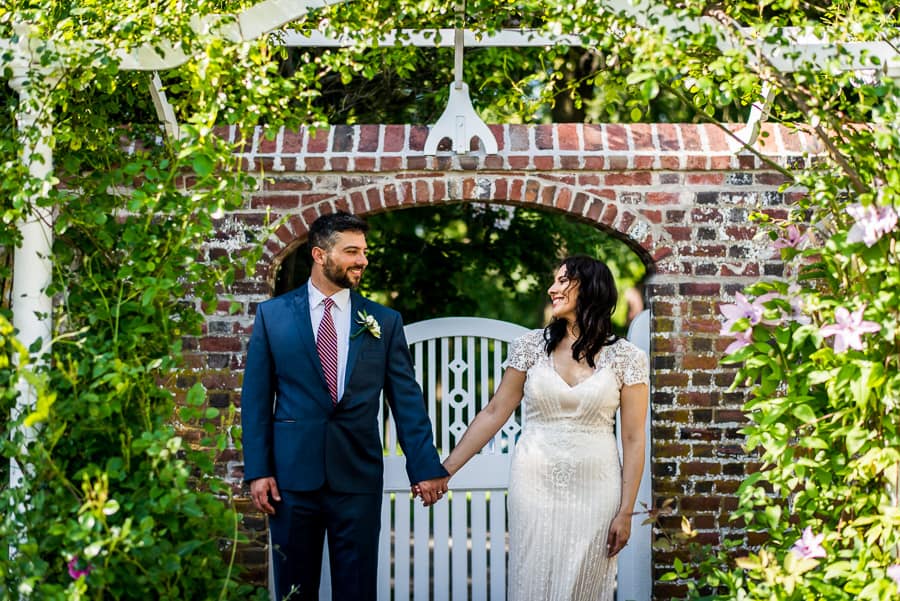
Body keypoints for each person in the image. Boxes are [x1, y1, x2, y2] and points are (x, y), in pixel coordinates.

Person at [241, 211, 448, 601]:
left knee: (357, 590)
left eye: (364, 252)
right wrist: (259, 470)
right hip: (290, 481)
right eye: (351, 251)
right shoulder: (273, 317)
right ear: (320, 255)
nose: (362, 260)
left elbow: (406, 401)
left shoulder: (383, 322)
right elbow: (255, 399)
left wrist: (425, 467)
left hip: (356, 479)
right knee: (293, 591)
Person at [435, 255, 649, 601]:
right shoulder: (530, 348)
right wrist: (445, 470)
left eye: (563, 281)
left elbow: (634, 439)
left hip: (596, 490)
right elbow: (494, 412)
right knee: (531, 582)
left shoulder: (626, 358)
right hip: (533, 486)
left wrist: (626, 511)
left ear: (590, 287)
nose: (553, 289)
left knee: (584, 587)